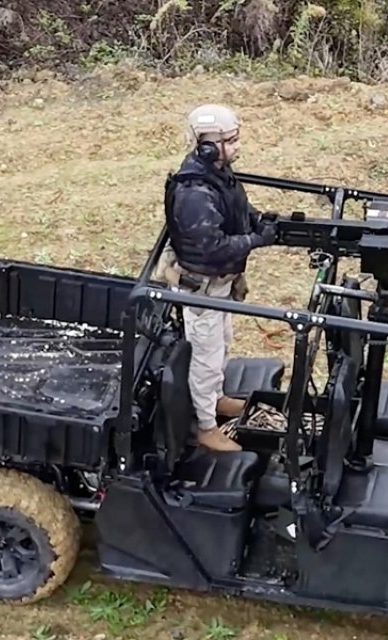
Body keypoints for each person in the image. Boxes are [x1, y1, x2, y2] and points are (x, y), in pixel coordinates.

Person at [160, 103, 276, 452]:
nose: (237, 146)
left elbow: (237, 208)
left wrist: (259, 221)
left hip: (219, 285)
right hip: (202, 287)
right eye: (231, 140)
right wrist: (256, 240)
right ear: (208, 146)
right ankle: (206, 427)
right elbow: (212, 246)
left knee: (221, 345)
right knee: (205, 358)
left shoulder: (218, 175)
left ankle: (215, 399)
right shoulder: (195, 192)